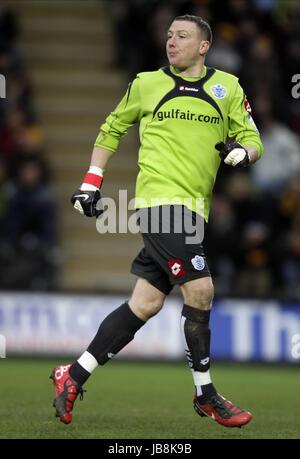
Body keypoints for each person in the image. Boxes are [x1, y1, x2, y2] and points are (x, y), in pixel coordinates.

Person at [50, 14, 263, 428]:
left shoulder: (229, 88)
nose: (171, 41)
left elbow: (254, 139)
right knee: (200, 291)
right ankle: (206, 394)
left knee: (145, 304)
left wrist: (243, 154)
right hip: (159, 204)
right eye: (169, 35)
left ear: (204, 46)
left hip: (194, 210)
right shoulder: (146, 83)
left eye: (182, 36)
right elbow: (111, 129)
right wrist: (91, 183)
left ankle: (72, 375)